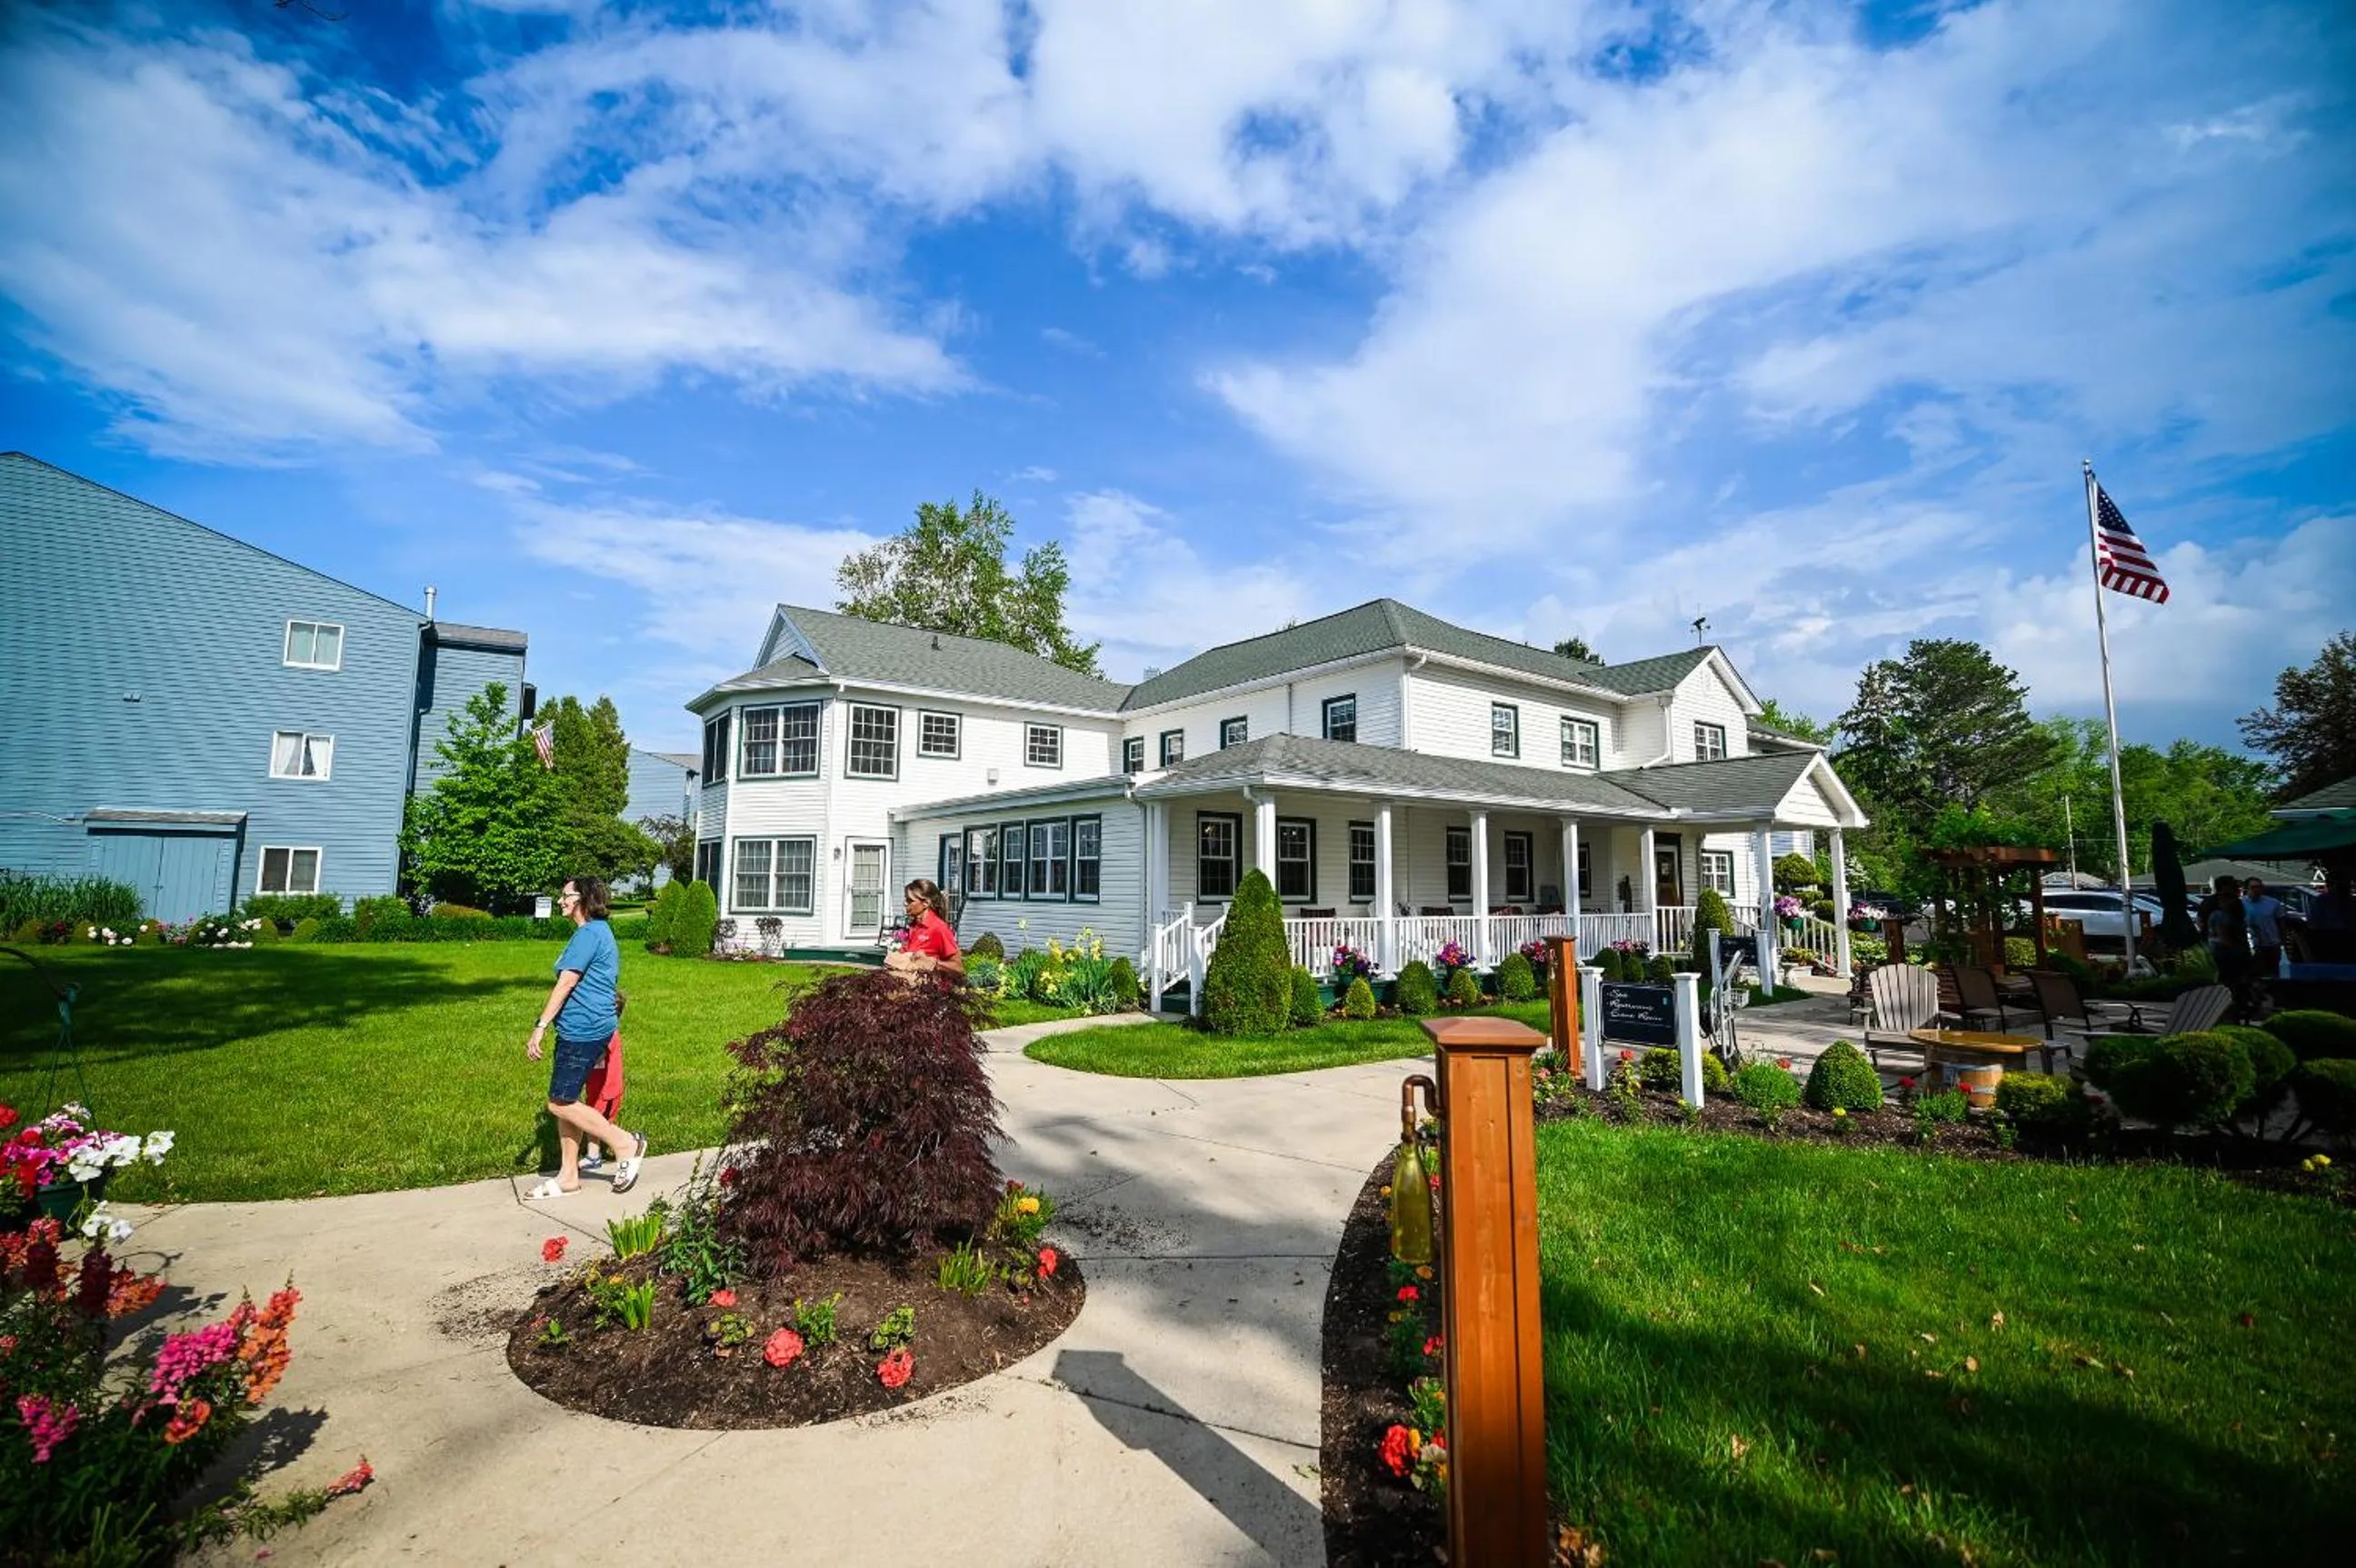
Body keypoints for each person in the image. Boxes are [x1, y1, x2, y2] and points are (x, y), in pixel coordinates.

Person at [525, 877, 645, 1197]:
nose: (561, 901)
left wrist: (540, 1025)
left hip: (584, 1029)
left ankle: (625, 1143)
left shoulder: (589, 934)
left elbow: (566, 983)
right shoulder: (597, 932)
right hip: (585, 1027)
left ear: (583, 898)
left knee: (559, 1102)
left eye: (566, 895)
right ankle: (568, 1176)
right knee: (568, 1098)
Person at [579, 992, 627, 1173]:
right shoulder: (602, 1033)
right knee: (595, 1121)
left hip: (607, 1090)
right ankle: (593, 1155)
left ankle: (627, 1147)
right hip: (596, 1088)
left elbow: (598, 1056)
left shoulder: (608, 1035)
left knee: (600, 1124)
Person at [884, 878, 963, 980]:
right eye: (906, 899)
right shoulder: (915, 926)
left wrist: (932, 963)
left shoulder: (939, 928)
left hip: (927, 986)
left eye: (910, 900)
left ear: (925, 903)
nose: (905, 903)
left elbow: (958, 968)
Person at [2198, 873, 2251, 1019]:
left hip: (2219, 948)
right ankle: (2231, 1009)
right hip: (2227, 951)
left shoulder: (2211, 903)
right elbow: (2224, 934)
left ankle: (2229, 1008)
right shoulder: (2222, 908)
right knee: (2232, 980)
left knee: (2227, 980)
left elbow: (2201, 922)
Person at [2243, 878, 2285, 986]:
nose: (2256, 890)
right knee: (2255, 975)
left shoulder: (2273, 903)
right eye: (2253, 887)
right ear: (2246, 889)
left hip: (2272, 944)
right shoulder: (2241, 904)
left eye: (2259, 887)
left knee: (2274, 974)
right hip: (2252, 946)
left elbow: (2281, 923)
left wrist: (2282, 940)